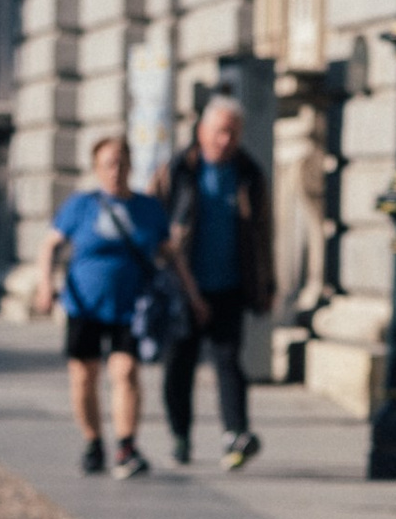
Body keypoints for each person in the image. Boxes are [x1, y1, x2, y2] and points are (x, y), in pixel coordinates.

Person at [36, 132, 171, 479]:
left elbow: (171, 255)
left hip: (132, 307)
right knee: (84, 376)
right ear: (97, 168)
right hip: (84, 306)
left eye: (122, 163)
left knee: (125, 373)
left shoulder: (148, 209)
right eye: (109, 164)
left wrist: (192, 296)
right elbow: (50, 246)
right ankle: (94, 441)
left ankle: (126, 445)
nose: (116, 170)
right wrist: (45, 286)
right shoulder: (81, 205)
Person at [163, 93, 273, 470]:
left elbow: (263, 232)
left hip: (229, 283)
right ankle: (181, 434)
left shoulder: (248, 174)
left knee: (228, 360)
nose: (226, 140)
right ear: (201, 131)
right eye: (220, 132)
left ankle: (235, 434)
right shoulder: (179, 169)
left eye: (233, 133)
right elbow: (156, 221)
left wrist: (266, 283)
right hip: (184, 283)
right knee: (181, 362)